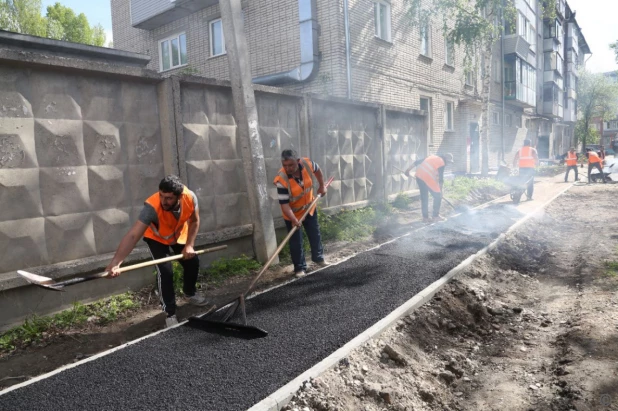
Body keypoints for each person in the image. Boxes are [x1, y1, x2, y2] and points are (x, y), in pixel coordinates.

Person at [105, 175, 210, 327]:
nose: (163, 201)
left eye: (168, 198)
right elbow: (133, 235)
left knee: (192, 262)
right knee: (165, 272)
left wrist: (189, 245)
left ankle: (190, 293)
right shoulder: (151, 207)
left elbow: (194, 221)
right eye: (161, 195)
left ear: (179, 197)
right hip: (157, 238)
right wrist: (116, 263)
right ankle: (170, 312)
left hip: (178, 234)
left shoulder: (190, 197)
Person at [274, 149, 329, 278]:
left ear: (298, 161)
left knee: (314, 233)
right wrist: (293, 219)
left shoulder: (308, 164)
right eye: (285, 165)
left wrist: (322, 186)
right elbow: (284, 205)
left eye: (291, 165)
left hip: (309, 207)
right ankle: (299, 268)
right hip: (292, 214)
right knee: (295, 241)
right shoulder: (281, 180)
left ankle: (319, 258)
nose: (288, 168)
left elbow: (318, 170)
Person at [405, 153, 454, 223]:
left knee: (424, 198)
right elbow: (441, 179)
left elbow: (417, 162)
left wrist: (408, 170)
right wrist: (441, 192)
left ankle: (425, 218)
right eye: (448, 162)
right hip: (427, 179)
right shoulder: (441, 162)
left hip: (419, 177)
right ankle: (435, 216)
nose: (448, 164)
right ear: (446, 159)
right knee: (438, 196)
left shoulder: (432, 157)